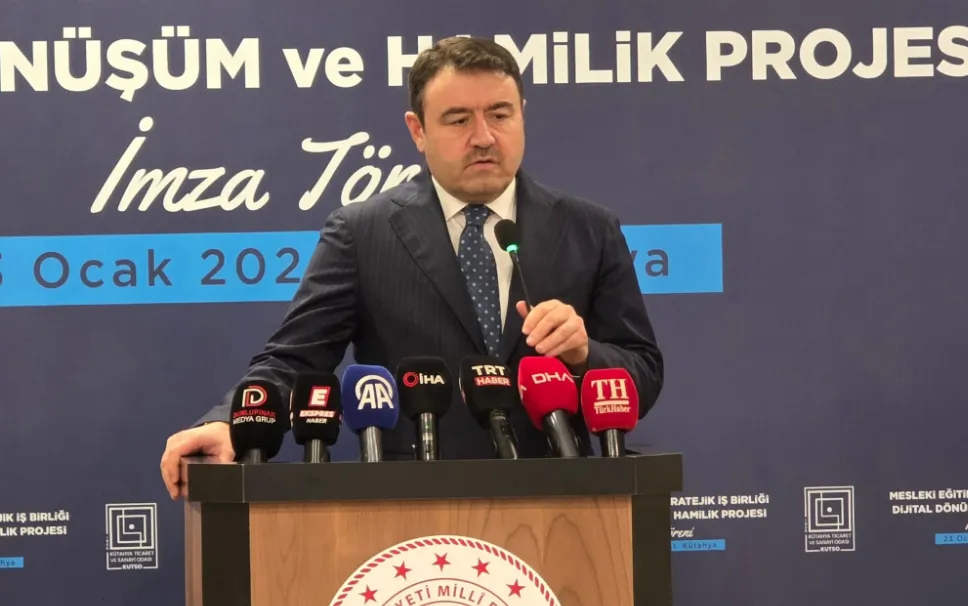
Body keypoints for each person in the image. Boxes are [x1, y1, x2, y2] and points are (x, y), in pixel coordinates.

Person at [160, 36, 664, 499]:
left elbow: (643, 373)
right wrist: (229, 422)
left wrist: (583, 354)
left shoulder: (589, 229)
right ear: (417, 131)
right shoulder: (362, 233)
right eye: (459, 120)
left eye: (500, 114)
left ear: (522, 116)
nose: (484, 137)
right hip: (412, 508)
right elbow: (295, 360)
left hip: (564, 503)